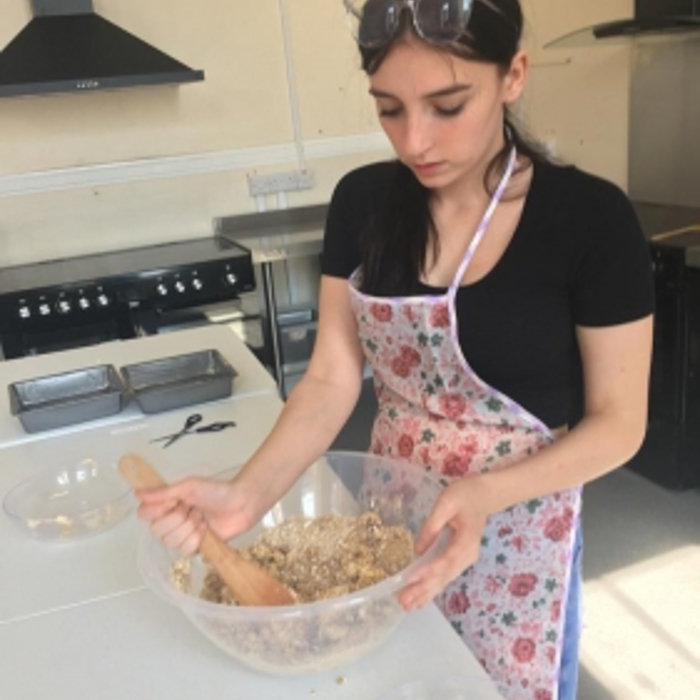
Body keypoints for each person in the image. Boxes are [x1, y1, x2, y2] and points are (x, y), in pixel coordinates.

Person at [136, 1, 654, 697]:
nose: (415, 142)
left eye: (448, 105)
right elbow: (330, 379)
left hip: (521, 526)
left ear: (514, 75)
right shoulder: (363, 204)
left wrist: (481, 494)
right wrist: (245, 495)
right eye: (389, 109)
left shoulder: (590, 219)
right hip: (390, 522)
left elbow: (620, 424)